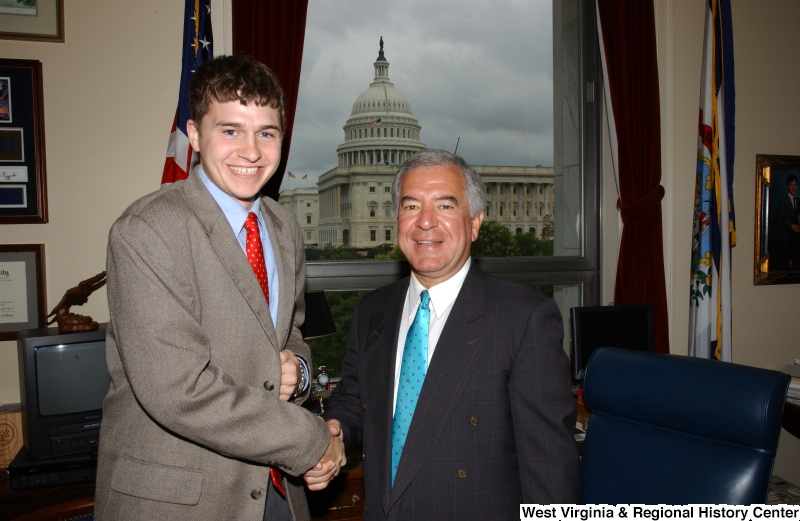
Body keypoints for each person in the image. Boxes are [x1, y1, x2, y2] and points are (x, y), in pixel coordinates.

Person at [95, 55, 344, 521]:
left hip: (275, 495)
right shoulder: (146, 230)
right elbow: (178, 390)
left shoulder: (285, 229)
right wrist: (311, 439)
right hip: (179, 500)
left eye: (266, 133)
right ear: (194, 135)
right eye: (230, 130)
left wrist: (302, 377)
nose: (251, 151)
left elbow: (290, 341)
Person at [305, 150, 580, 519]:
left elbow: (550, 472)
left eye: (445, 206)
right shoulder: (373, 309)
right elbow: (355, 398)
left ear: (475, 223)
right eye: (412, 206)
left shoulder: (524, 318)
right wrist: (334, 432)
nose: (425, 222)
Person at [777, 174, 800, 269]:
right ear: (787, 187)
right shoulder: (783, 202)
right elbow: (778, 220)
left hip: (797, 241)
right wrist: (791, 225)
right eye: (791, 185)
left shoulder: (799, 201)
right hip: (787, 242)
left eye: (795, 184)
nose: (793, 187)